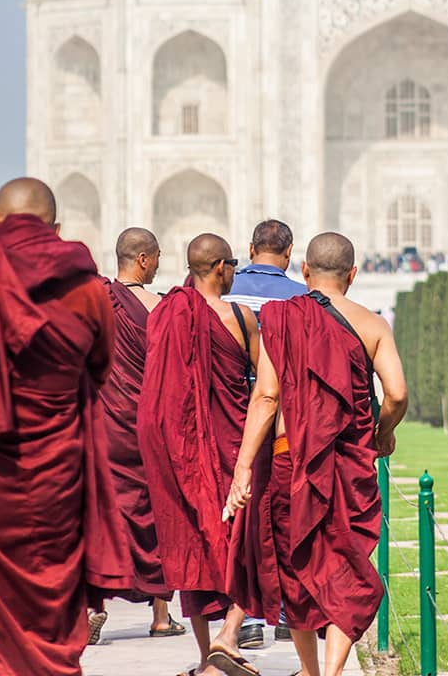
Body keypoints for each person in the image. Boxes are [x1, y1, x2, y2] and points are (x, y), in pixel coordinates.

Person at [0, 176, 131, 676]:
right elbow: (101, 369)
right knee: (47, 607)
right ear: (57, 227)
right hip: (52, 482)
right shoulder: (88, 290)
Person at [225, 231, 408, 676]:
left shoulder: (279, 320)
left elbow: (266, 398)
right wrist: (383, 433)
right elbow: (398, 394)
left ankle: (311, 671)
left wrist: (243, 470)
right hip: (348, 464)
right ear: (354, 275)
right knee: (348, 570)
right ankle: (327, 672)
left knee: (298, 570)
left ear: (304, 271)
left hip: (290, 462)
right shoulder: (372, 324)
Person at [138, 233, 261, 676]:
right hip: (232, 447)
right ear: (221, 268)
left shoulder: (168, 313)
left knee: (193, 546)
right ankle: (229, 635)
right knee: (247, 542)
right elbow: (266, 384)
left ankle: (207, 653)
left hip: (182, 456)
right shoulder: (240, 317)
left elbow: (157, 395)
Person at [97, 227, 185, 641]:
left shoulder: (97, 302)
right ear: (144, 260)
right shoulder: (160, 309)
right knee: (153, 515)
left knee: (103, 516)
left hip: (107, 425)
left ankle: (90, 609)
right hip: (148, 425)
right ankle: (162, 616)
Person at [223, 218, 304, 648]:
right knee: (285, 518)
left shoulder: (221, 293)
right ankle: (290, 611)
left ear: (250, 250)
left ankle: (248, 617)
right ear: (290, 255)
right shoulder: (303, 299)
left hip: (228, 417)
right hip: (283, 424)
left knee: (241, 524)